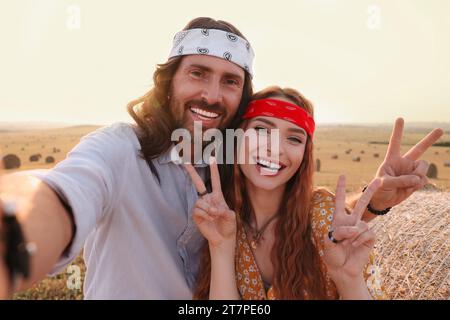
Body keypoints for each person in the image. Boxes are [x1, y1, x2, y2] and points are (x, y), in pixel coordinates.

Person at [0, 16, 443, 299]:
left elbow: (308, 214)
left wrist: (377, 199)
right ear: (168, 82)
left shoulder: (232, 174)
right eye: (197, 73)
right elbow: (62, 193)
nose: (211, 95)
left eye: (230, 81)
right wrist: (15, 230)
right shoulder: (119, 151)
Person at [185, 86, 441, 299]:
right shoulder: (226, 219)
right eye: (262, 130)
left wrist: (350, 279)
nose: (275, 149)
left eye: (294, 139)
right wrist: (221, 246)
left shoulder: (323, 215)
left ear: (305, 155)